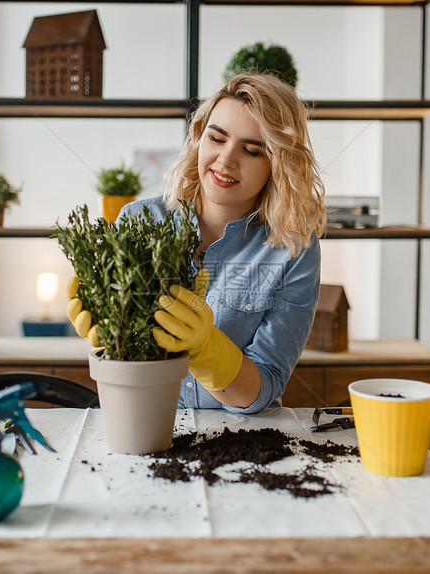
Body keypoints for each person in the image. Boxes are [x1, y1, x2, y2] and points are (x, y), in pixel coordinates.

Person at [67, 72, 326, 414]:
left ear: (278, 164)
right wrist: (110, 331)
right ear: (199, 137)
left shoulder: (293, 249)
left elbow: (265, 386)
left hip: (239, 442)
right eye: (216, 138)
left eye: (252, 150)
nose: (226, 160)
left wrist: (207, 350)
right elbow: (122, 365)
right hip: (141, 420)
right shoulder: (138, 221)